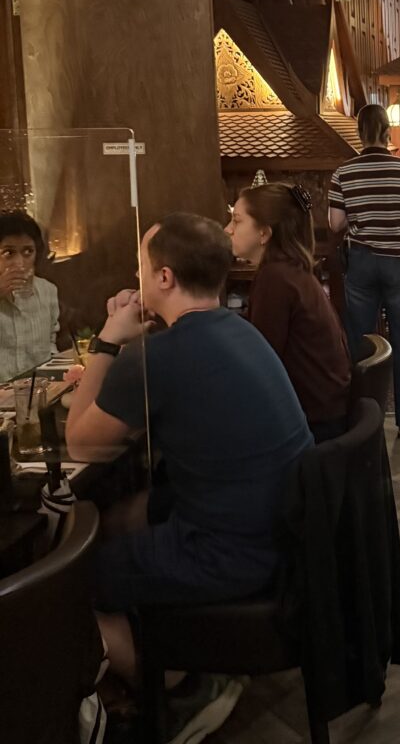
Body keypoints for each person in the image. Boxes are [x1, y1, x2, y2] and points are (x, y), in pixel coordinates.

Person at [64, 213, 313, 743]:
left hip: (233, 553)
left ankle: (179, 689)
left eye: (140, 264)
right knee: (121, 516)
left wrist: (108, 341)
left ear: (164, 277)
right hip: (286, 535)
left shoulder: (158, 357)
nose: (135, 275)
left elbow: (80, 442)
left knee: (66, 586)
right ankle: (181, 650)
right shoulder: (239, 328)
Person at [329, 104, 400, 437]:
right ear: (388, 132)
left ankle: (360, 419)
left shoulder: (343, 173)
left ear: (360, 133)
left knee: (359, 341)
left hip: (361, 260)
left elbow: (335, 223)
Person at [226, 182, 351, 442]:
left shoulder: (275, 278)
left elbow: (263, 363)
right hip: (328, 411)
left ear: (264, 233)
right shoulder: (290, 270)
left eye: (236, 220)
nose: (228, 229)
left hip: (314, 425)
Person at [0, 210, 60, 383]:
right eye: (9, 253)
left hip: (38, 388)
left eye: (28, 251)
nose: (20, 263)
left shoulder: (48, 290)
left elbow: (50, 345)